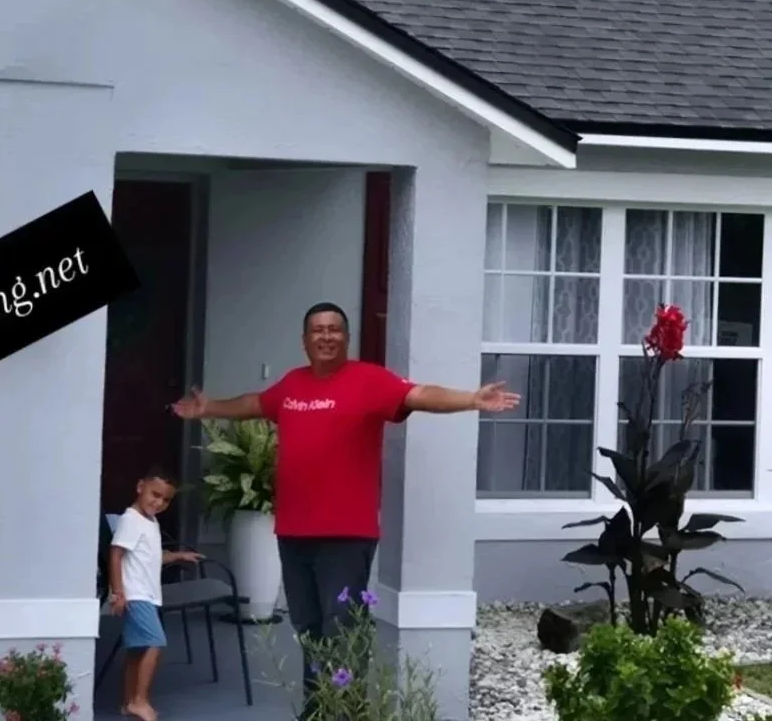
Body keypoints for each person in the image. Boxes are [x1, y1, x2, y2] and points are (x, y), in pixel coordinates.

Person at [171, 301, 519, 719]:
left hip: (345, 536)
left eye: (334, 329)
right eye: (317, 329)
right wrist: (209, 408)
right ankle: (319, 710)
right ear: (304, 341)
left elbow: (420, 394)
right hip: (294, 533)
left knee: (342, 631)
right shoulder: (292, 385)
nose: (326, 336)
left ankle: (346, 712)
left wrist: (470, 399)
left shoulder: (368, 381)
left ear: (346, 338)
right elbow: (256, 403)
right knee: (309, 629)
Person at [107, 466, 203, 721]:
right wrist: (118, 592)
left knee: (136, 650)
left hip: (147, 595)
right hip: (135, 594)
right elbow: (116, 554)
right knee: (155, 643)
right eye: (154, 494)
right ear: (140, 487)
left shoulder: (150, 521)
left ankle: (127, 702)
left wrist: (178, 555)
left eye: (166, 499)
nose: (159, 502)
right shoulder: (131, 520)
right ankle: (140, 700)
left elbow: (149, 557)